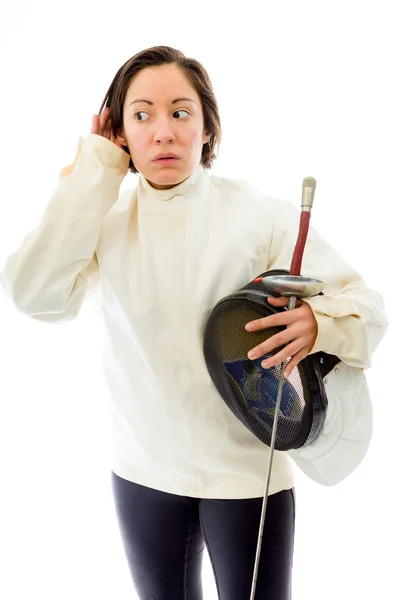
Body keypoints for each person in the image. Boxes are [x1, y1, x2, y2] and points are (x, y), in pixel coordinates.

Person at [0, 45, 388, 599]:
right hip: (144, 470)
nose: (163, 131)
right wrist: (93, 172)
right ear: (121, 135)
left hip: (248, 473)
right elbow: (32, 293)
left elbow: (366, 306)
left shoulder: (261, 215)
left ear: (207, 128)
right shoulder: (102, 223)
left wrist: (318, 325)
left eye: (181, 112)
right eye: (141, 115)